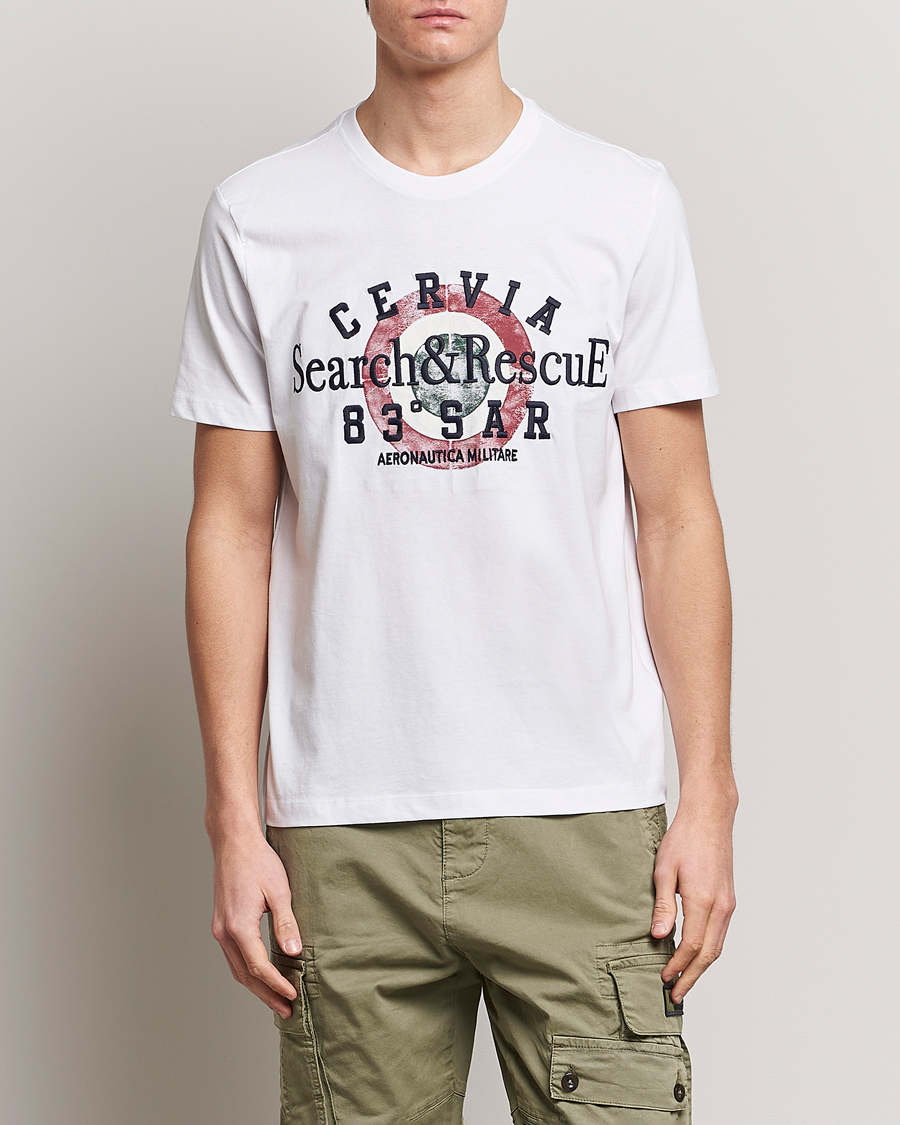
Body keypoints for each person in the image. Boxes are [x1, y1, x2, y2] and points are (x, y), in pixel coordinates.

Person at [171, 1, 738, 1121]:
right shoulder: (260, 216)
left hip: (583, 812)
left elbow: (677, 515)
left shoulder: (621, 202)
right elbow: (229, 526)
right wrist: (233, 820)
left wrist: (710, 792)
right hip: (344, 824)